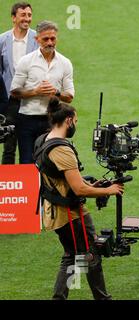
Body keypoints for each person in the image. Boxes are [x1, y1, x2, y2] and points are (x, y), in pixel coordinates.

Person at [34, 97, 123, 300]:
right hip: (69, 215)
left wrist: (93, 185)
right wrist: (109, 190)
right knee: (89, 255)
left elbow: (60, 179)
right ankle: (102, 298)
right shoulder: (62, 149)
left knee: (74, 255)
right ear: (68, 120)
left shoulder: (43, 139)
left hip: (54, 209)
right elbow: (79, 188)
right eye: (75, 120)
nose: (75, 124)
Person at [10, 20, 74, 164]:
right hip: (27, 119)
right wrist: (36, 91)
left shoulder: (65, 63)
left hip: (52, 120)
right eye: (45, 39)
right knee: (27, 161)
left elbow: (69, 96)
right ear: (37, 39)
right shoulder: (26, 61)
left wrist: (56, 93)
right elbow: (14, 91)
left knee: (51, 162)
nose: (50, 42)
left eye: (53, 38)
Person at [0, 2, 38, 164]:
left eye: (29, 15)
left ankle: (30, 186)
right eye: (23, 15)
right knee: (9, 147)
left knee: (29, 147)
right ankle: (6, 186)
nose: (27, 19)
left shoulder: (37, 39)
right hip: (9, 102)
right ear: (13, 18)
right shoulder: (2, 40)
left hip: (31, 101)